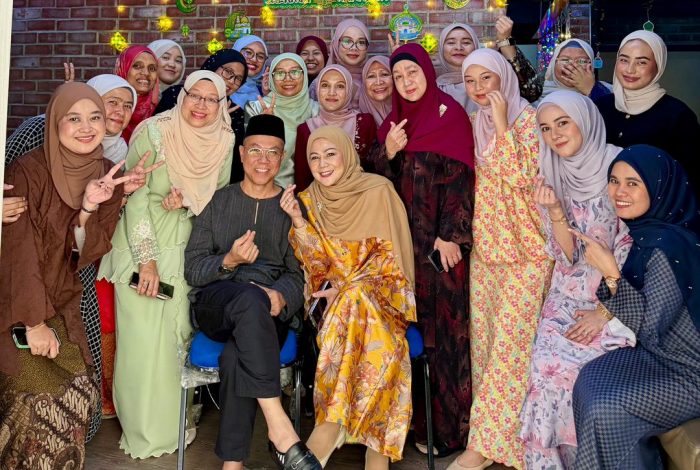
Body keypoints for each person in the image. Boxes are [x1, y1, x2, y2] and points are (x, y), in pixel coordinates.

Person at [0, 82, 149, 468]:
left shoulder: (104, 174)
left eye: (95, 117)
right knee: (40, 398)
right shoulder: (27, 169)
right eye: (74, 118)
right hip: (16, 304)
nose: (86, 127)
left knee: (80, 392)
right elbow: (19, 253)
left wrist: (87, 208)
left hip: (59, 301)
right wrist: (33, 323)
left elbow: (80, 255)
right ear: (55, 123)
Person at [97, 71, 234, 458]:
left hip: (188, 248)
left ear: (221, 105)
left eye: (211, 99)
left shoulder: (225, 141)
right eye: (195, 95)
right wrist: (148, 262)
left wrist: (189, 202)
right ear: (182, 95)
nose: (201, 105)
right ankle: (144, 430)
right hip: (143, 244)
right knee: (142, 342)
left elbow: (219, 201)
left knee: (177, 340)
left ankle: (176, 422)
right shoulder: (153, 132)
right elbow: (136, 199)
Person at [184, 114, 321, 470]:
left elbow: (300, 273)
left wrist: (281, 296)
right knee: (248, 296)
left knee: (236, 355)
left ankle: (232, 465)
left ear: (282, 158)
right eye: (255, 150)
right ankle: (280, 426)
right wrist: (228, 260)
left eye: (272, 152)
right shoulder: (219, 201)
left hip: (267, 312)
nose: (263, 159)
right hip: (218, 303)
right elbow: (193, 269)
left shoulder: (292, 208)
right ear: (242, 154)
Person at [281, 126, 415, 469]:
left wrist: (350, 285)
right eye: (314, 157)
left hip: (384, 297)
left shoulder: (378, 190)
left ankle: (328, 429)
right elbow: (317, 267)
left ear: (347, 154)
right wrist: (297, 221)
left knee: (356, 299)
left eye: (330, 154)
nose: (322, 164)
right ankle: (376, 452)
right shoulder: (308, 202)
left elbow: (393, 262)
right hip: (336, 306)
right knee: (354, 306)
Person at [367, 43, 476, 458]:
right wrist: (388, 151)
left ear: (427, 73)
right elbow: (373, 183)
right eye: (398, 76)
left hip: (438, 252)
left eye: (412, 73)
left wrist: (451, 235)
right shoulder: (394, 124)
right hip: (401, 249)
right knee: (409, 337)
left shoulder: (452, 116)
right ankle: (412, 423)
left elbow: (463, 180)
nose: (406, 82)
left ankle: (449, 431)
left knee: (444, 339)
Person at [518, 91, 634, 469]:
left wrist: (605, 312)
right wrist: (555, 211)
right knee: (544, 371)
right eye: (545, 128)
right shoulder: (551, 171)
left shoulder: (621, 168)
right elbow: (567, 257)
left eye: (563, 123)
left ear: (584, 120)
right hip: (567, 295)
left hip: (619, 297)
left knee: (580, 377)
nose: (554, 135)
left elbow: (639, 248)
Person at [450, 48, 551, 470]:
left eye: (486, 79)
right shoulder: (475, 121)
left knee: (512, 349)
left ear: (503, 79)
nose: (477, 89)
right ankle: (500, 440)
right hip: (488, 250)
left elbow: (522, 176)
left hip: (527, 251)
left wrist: (504, 121)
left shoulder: (531, 119)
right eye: (469, 81)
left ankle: (482, 448)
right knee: (488, 349)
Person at [571, 145, 700, 469]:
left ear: (658, 186)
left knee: (605, 407)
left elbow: (650, 330)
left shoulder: (667, 246)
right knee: (589, 378)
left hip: (690, 372)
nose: (619, 192)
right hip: (662, 355)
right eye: (614, 181)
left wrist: (611, 272)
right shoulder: (651, 232)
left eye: (633, 183)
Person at [594, 30, 700, 198]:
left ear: (658, 66)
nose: (630, 69)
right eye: (624, 60)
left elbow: (689, 178)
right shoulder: (600, 107)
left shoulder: (678, 116)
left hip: (655, 210)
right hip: (601, 206)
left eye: (641, 62)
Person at [156, 49, 248, 183]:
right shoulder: (177, 95)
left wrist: (221, 126)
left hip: (210, 183)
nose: (231, 81)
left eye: (238, 78)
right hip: (165, 177)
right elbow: (156, 137)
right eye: (228, 72)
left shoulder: (235, 113)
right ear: (213, 66)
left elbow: (234, 166)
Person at [5, 74, 136, 165]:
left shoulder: (119, 151)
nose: (121, 111)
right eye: (113, 102)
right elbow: (5, 161)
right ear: (92, 100)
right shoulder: (40, 127)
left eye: (128, 106)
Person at [294, 65, 376, 189]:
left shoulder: (365, 122)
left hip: (362, 196)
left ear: (349, 90)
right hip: (320, 199)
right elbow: (302, 180)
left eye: (340, 86)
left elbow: (374, 170)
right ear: (317, 89)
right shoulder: (305, 129)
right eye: (325, 85)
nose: (332, 93)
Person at [246, 53, 319, 188]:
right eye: (280, 73)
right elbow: (248, 156)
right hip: (265, 190)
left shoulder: (316, 110)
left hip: (309, 191)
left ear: (304, 75)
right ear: (271, 78)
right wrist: (262, 125)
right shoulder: (257, 108)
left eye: (295, 72)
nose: (288, 79)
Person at [538, 39, 611, 103]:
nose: (572, 66)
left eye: (581, 61)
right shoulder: (537, 95)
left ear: (591, 65)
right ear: (554, 63)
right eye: (565, 60)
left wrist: (592, 89)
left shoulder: (610, 92)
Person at [114, 45, 160, 142]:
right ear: (123, 68)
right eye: (137, 66)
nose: (146, 73)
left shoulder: (161, 111)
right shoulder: (106, 106)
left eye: (152, 68)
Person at [325, 19, 370, 106]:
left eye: (361, 42)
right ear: (336, 44)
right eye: (347, 41)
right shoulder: (320, 83)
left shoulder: (376, 81)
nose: (354, 48)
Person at [437, 23, 481, 111]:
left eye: (466, 43)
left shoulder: (487, 83)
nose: (458, 47)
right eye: (451, 43)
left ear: (475, 46)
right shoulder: (433, 88)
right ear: (441, 48)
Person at [231, 35, 268, 108]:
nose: (254, 59)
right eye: (248, 53)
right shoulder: (218, 88)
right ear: (236, 53)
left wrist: (267, 96)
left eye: (260, 56)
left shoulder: (263, 92)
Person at [358, 56, 393, 127]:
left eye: (384, 74)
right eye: (371, 76)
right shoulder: (357, 122)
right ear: (364, 83)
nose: (378, 82)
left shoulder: (409, 112)